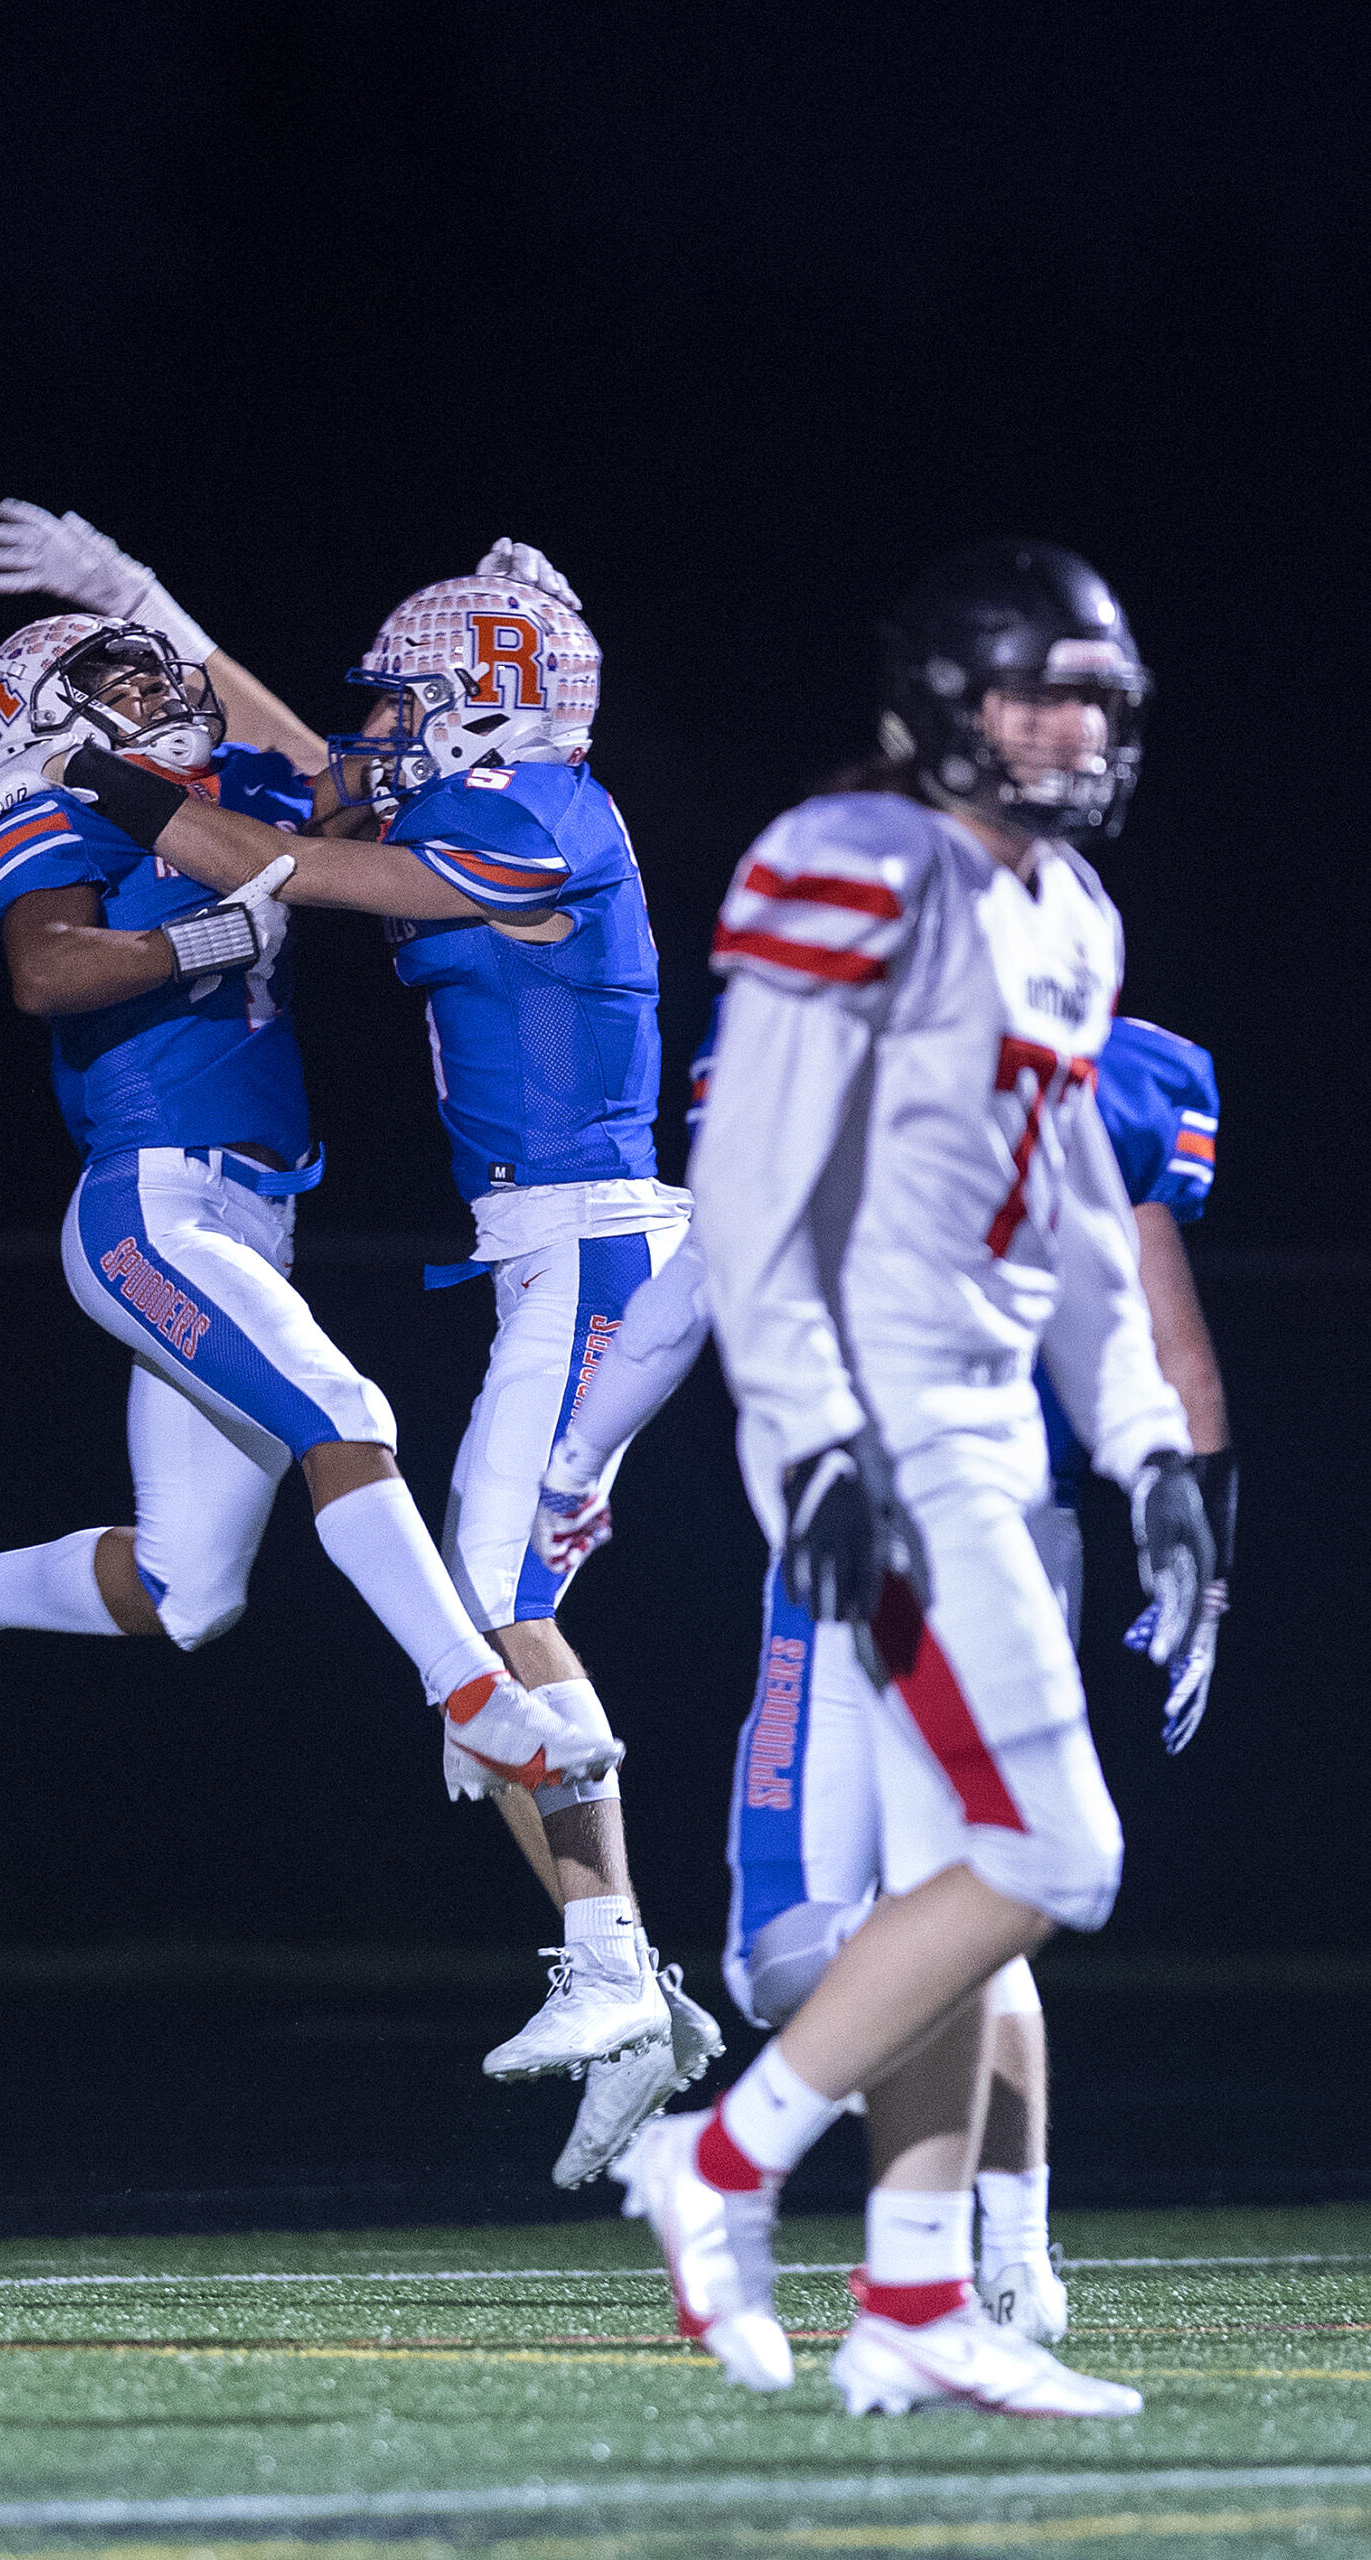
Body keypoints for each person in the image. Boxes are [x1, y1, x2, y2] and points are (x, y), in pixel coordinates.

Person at [0, 504, 723, 2166]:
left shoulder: (531, 819)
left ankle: (611, 1966)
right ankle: (625, 1981)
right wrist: (149, 602)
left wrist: (89, 774)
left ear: (479, 706)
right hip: (548, 1255)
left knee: (493, 1598)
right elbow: (303, 775)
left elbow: (289, 861)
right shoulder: (490, 795)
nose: (376, 724)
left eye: (406, 696)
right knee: (479, 1605)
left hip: (592, 1251)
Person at [609, 539, 1212, 2417]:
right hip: (879, 1411)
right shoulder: (843, 864)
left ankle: (912, 2305)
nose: (1063, 729)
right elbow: (753, 1187)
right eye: (1030, 689)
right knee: (1055, 1851)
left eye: (1090, 697)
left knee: (963, 1862)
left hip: (991, 1412)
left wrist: (1147, 1458)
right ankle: (714, 2163)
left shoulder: (1071, 916)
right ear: (940, 701)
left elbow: (1085, 1239)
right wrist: (807, 1435)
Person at [533, 999, 1234, 2323]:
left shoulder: (806, 1044)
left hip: (878, 1528)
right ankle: (992, 2271)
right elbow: (1153, 1341)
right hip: (1027, 1525)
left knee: (789, 1955)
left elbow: (695, 1288)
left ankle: (733, 2156)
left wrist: (573, 1464)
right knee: (970, 1895)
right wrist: (1205, 1540)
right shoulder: (1111, 1064)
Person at [0, 608, 613, 1828]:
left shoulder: (216, 789)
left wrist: (157, 601)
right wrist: (197, 938)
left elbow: (331, 785)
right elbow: (47, 972)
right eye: (112, 676)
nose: (151, 687)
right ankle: (472, 1695)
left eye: (148, 667)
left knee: (188, 1588)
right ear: (39, 719)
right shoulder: (48, 805)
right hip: (147, 1205)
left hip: (256, 1212)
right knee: (346, 1412)